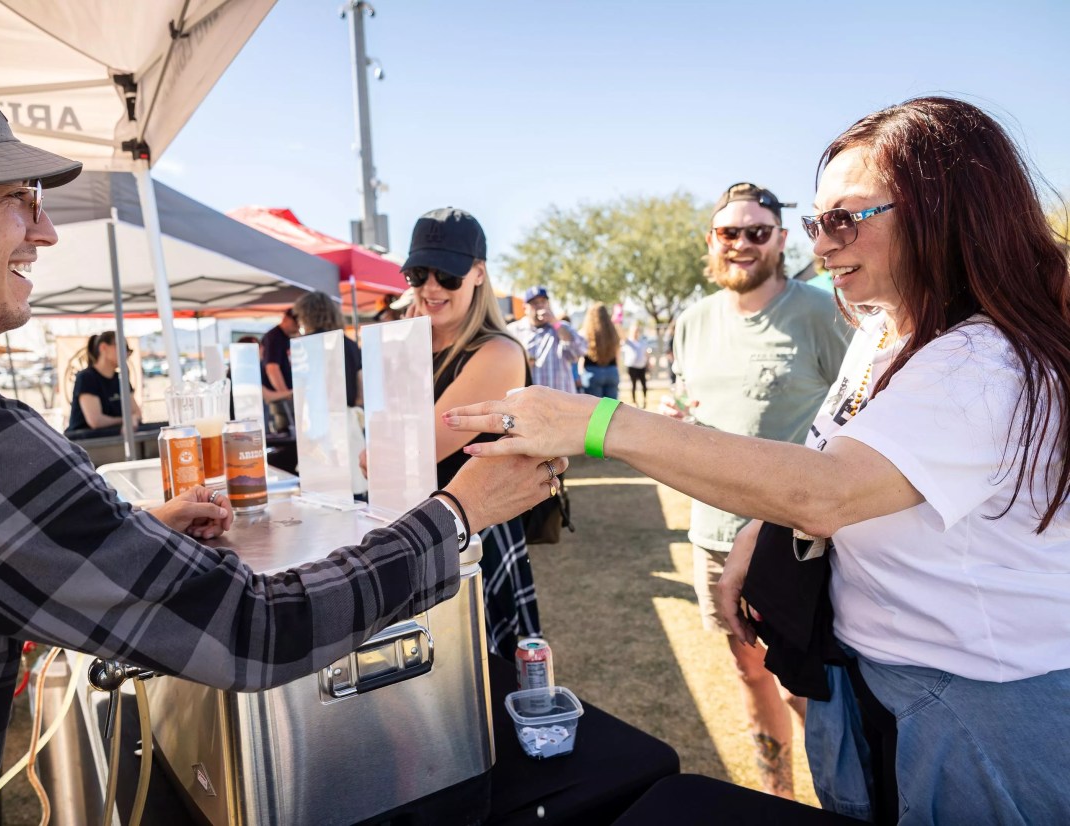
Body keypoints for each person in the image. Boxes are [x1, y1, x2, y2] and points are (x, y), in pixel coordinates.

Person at [0, 47, 568, 825]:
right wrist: (454, 518)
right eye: (17, 195)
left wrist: (125, 534)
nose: (44, 229)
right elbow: (252, 628)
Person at [444, 97, 1070, 823]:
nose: (822, 245)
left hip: (974, 707)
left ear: (941, 211)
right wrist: (757, 531)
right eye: (816, 222)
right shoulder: (882, 329)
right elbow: (827, 448)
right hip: (878, 679)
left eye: (844, 219)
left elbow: (830, 491)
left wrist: (598, 422)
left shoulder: (984, 363)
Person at [664, 181, 851, 798]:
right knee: (749, 674)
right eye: (729, 232)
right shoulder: (692, 322)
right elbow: (696, 416)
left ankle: (842, 799)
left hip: (791, 540)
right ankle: (780, 799)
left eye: (756, 232)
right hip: (711, 535)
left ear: (779, 240)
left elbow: (862, 410)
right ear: (712, 240)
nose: (742, 243)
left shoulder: (821, 313)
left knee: (804, 686)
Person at [402, 207, 542, 658]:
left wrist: (398, 352)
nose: (430, 287)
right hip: (418, 524)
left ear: (479, 274)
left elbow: (410, 447)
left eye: (447, 274)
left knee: (475, 677)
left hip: (471, 534)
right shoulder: (416, 343)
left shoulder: (497, 352)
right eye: (419, 273)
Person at [64, 330, 147, 438]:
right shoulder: (86, 378)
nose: (126, 354)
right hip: (87, 444)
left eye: (128, 350)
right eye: (122, 347)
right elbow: (95, 421)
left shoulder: (120, 379)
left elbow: (137, 413)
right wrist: (127, 420)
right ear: (103, 348)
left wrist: (133, 418)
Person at [508, 286, 587, 394]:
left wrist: (555, 323)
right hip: (528, 402)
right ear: (525, 308)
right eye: (535, 303)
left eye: (543, 302)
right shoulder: (513, 331)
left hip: (561, 400)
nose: (540, 306)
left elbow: (579, 352)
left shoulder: (562, 327)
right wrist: (523, 363)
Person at [291, 290, 363, 407]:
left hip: (318, 411)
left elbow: (302, 385)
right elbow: (360, 381)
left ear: (306, 315)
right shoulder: (349, 344)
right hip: (346, 411)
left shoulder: (306, 344)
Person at [260, 307, 299, 432]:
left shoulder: (286, 337)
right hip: (279, 401)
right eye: (295, 323)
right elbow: (272, 368)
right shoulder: (274, 337)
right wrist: (286, 394)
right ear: (286, 319)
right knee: (286, 433)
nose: (298, 327)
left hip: (283, 397)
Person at [579, 302, 622, 399]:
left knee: (595, 410)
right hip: (612, 371)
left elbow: (580, 353)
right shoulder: (613, 332)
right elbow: (618, 353)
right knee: (611, 410)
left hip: (593, 372)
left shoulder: (585, 332)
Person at [621, 323, 650, 407]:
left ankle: (644, 400)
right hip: (632, 367)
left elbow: (646, 353)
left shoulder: (642, 342)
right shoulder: (628, 341)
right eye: (634, 331)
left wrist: (648, 362)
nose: (636, 332)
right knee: (633, 385)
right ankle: (634, 401)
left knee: (644, 384)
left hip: (641, 367)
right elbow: (621, 334)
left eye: (637, 331)